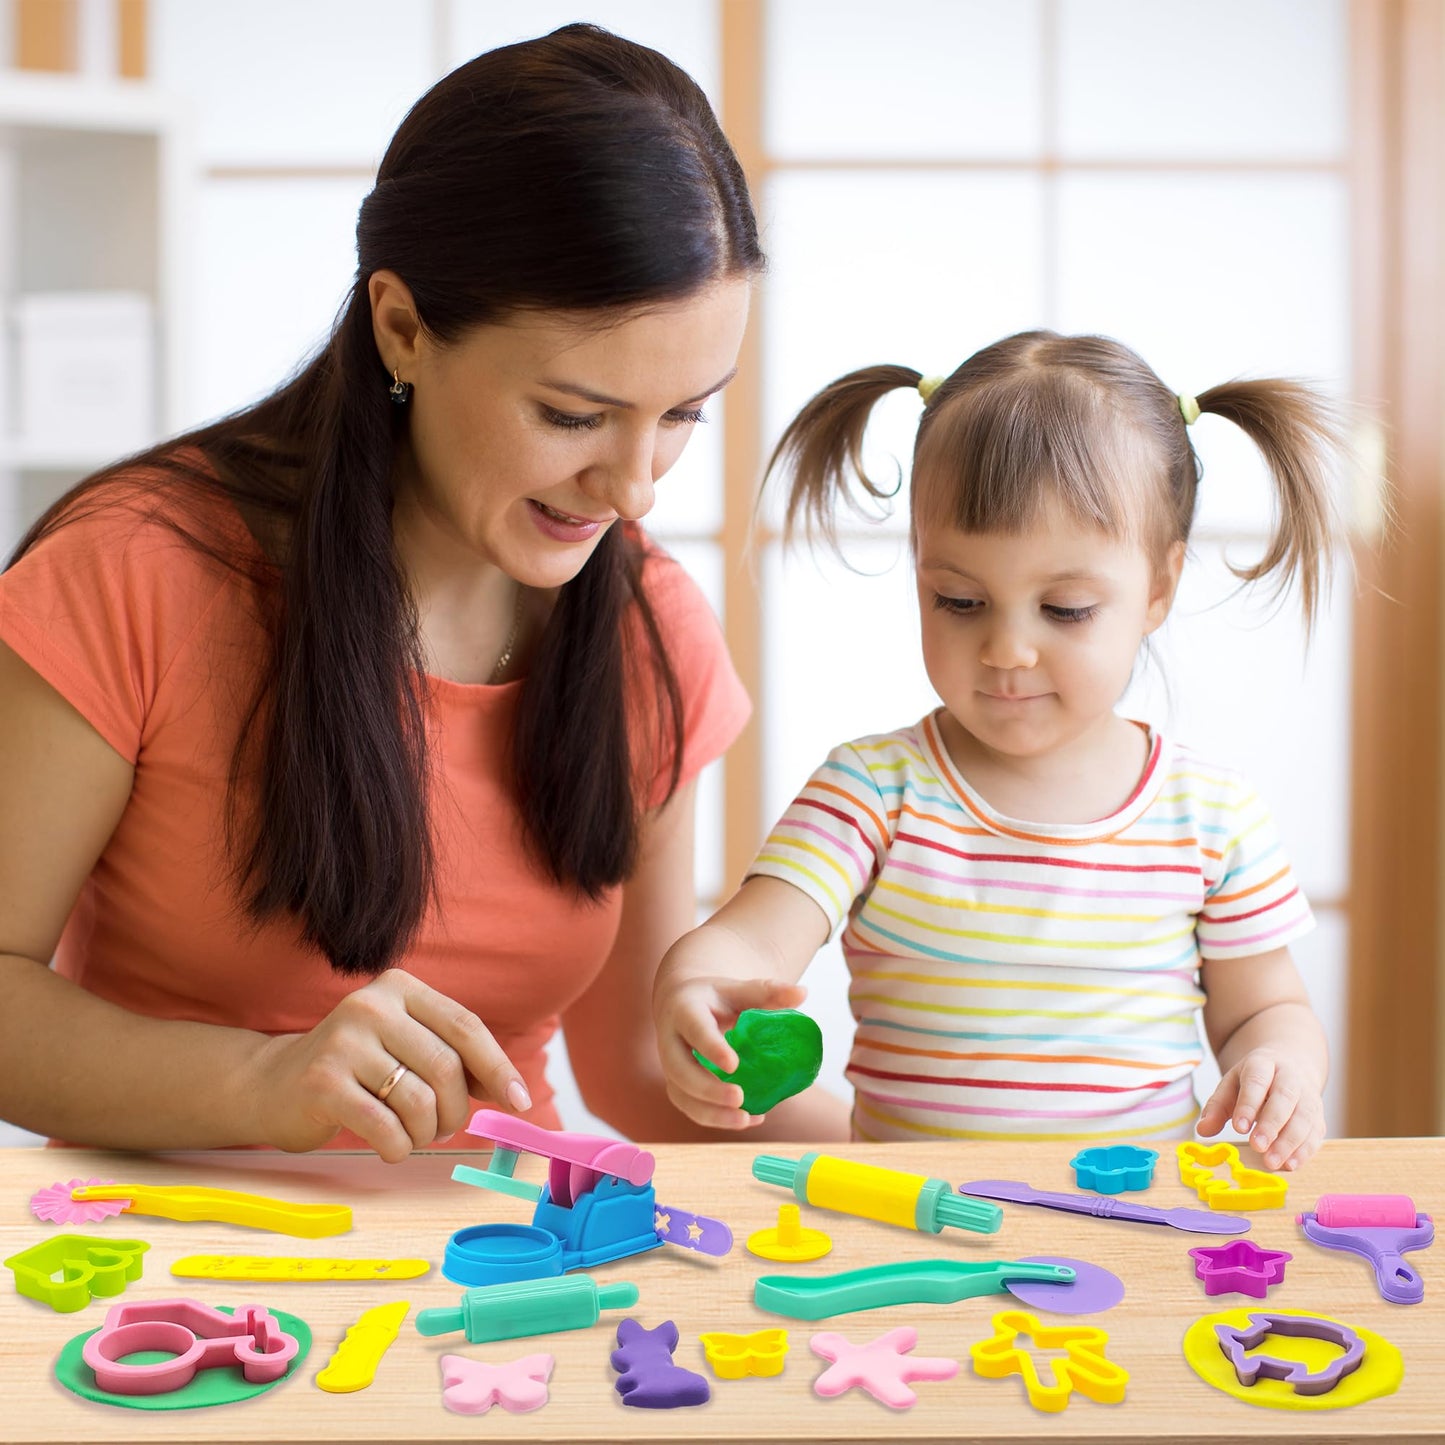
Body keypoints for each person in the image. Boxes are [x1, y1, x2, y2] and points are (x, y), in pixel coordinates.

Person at [0, 23, 848, 1161]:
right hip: (171, 1282)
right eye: (573, 415)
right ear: (402, 326)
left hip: (512, 1276)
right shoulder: (132, 572)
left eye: (684, 413)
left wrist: (944, 1163)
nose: (634, 491)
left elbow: (635, 1070)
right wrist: (263, 1078)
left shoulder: (650, 630)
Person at [654, 330, 1338, 1169]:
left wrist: (1281, 1066)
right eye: (960, 599)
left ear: (1158, 586)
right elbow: (750, 942)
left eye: (1066, 609)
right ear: (916, 572)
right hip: (915, 1228)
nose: (1007, 649)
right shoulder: (873, 792)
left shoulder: (1212, 816)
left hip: (1138, 1229)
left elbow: (1262, 1011)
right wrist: (694, 984)